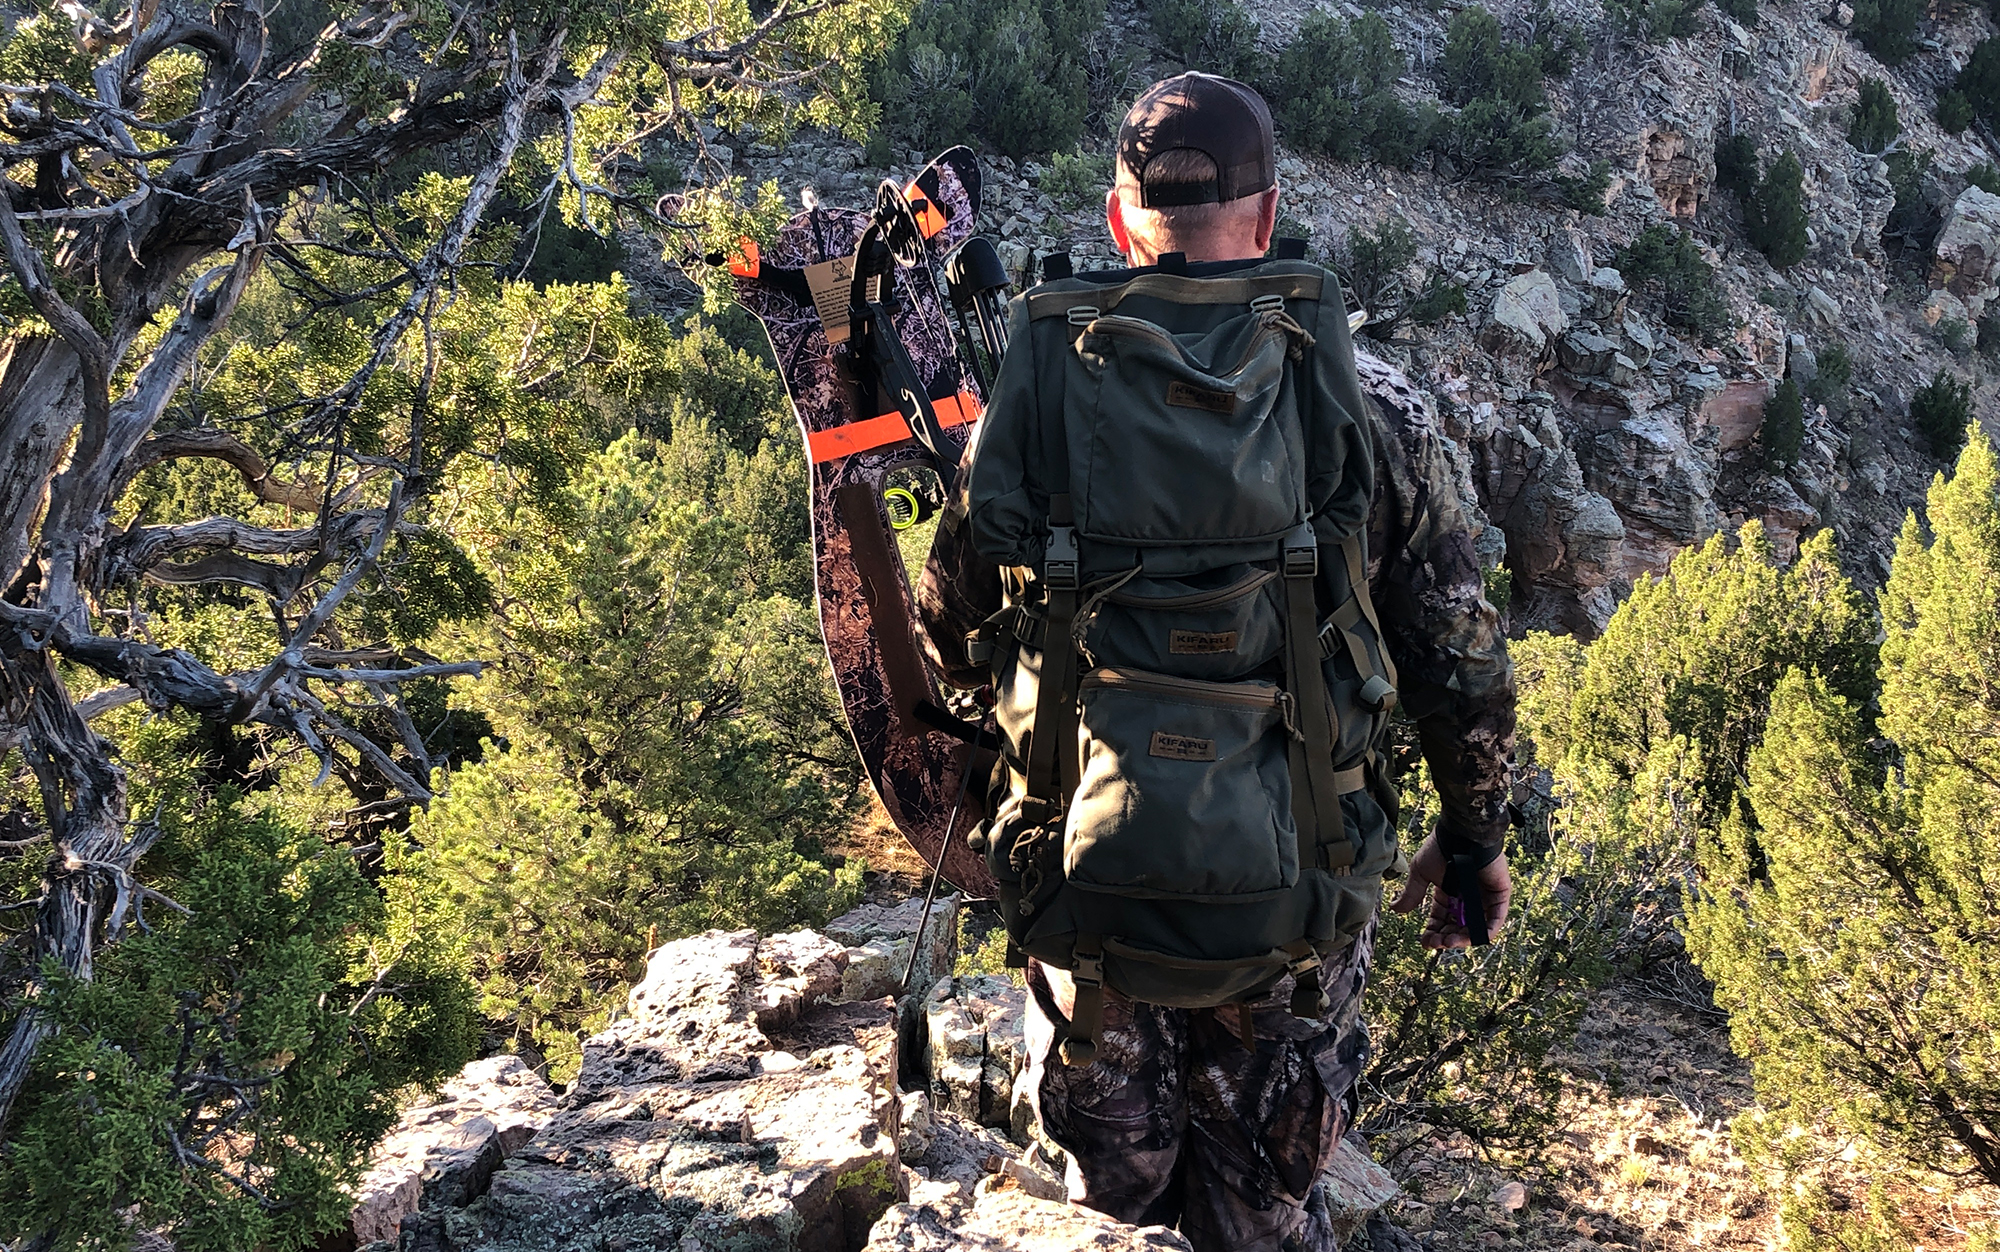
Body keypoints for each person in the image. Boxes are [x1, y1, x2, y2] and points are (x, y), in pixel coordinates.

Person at [917, 72, 1516, 1252]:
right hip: (1291, 912)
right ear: (1267, 213)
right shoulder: (1369, 406)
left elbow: (948, 631)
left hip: (1090, 899)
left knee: (1105, 1221)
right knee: (1263, 1218)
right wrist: (1476, 839)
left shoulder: (1025, 408)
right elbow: (1459, 659)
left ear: (1116, 217)